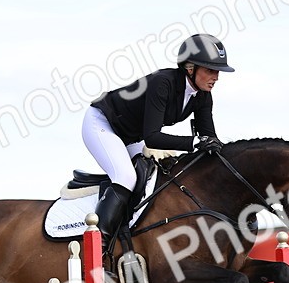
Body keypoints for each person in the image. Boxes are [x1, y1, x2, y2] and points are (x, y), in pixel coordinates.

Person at [83, 33, 235, 239]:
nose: (216, 77)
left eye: (217, 71)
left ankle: (128, 234)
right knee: (126, 177)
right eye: (210, 70)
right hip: (102, 124)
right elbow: (152, 138)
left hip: (131, 136)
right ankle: (98, 240)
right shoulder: (163, 83)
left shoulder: (203, 96)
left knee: (152, 179)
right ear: (190, 68)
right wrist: (195, 142)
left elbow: (209, 138)